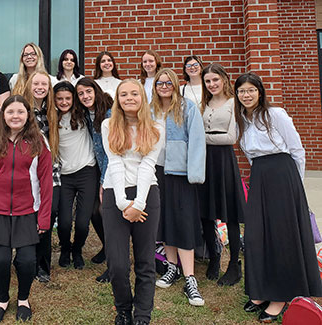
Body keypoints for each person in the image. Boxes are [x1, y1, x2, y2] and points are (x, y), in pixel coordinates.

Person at [234, 73, 322, 322]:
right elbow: (251, 155)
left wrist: (296, 187)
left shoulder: (276, 114)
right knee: (257, 235)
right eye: (242, 91)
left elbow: (297, 149)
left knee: (282, 236)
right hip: (260, 176)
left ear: (259, 92)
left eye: (251, 90)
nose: (246, 95)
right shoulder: (243, 119)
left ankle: (281, 296)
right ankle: (262, 290)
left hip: (284, 177)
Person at [0, 95, 52, 324]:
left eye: (20, 112)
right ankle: (2, 300)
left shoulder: (39, 143)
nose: (15, 116)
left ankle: (23, 299)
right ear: (4, 115)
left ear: (28, 116)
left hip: (28, 211)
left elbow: (46, 183)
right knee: (0, 260)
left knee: (27, 260)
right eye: (11, 112)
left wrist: (44, 218)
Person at [101, 79, 164, 325]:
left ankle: (142, 315)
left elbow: (148, 165)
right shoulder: (109, 125)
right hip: (114, 194)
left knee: (145, 261)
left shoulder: (157, 127)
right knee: (117, 264)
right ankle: (124, 310)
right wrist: (122, 203)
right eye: (124, 94)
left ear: (142, 98)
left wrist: (138, 203)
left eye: (134, 93)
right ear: (118, 99)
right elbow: (114, 163)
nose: (129, 98)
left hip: (147, 193)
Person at [152, 68, 206, 307]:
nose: (164, 87)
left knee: (183, 222)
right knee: (165, 220)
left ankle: (190, 277)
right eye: (159, 83)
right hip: (156, 171)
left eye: (168, 83)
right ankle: (171, 267)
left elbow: (197, 141)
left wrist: (194, 174)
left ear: (175, 85)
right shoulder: (150, 109)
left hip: (181, 173)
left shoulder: (187, 108)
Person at [199, 63, 245, 285]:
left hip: (224, 160)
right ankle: (214, 256)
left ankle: (234, 264)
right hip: (204, 161)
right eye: (208, 81)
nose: (212, 84)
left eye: (215, 79)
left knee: (231, 214)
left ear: (224, 79)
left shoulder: (233, 103)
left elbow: (230, 137)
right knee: (206, 212)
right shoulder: (204, 103)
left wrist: (202, 138)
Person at [51, 81, 98, 270]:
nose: (64, 102)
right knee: (63, 222)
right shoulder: (51, 118)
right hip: (65, 175)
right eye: (60, 98)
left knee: (82, 223)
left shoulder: (83, 115)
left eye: (68, 98)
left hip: (87, 170)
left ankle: (77, 250)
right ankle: (65, 249)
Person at [22, 71, 60, 282]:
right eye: (36, 83)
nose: (39, 87)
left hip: (51, 170)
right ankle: (27, 259)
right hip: (27, 170)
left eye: (43, 84)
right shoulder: (22, 108)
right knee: (29, 214)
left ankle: (43, 265)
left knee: (49, 211)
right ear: (29, 85)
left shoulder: (53, 111)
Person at [75, 77, 113, 282]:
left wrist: (104, 181)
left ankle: (114, 264)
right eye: (80, 94)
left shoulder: (108, 113)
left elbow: (112, 151)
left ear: (96, 91)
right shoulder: (86, 114)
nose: (85, 96)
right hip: (97, 167)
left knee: (107, 214)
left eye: (88, 92)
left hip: (112, 170)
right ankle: (107, 247)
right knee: (93, 211)